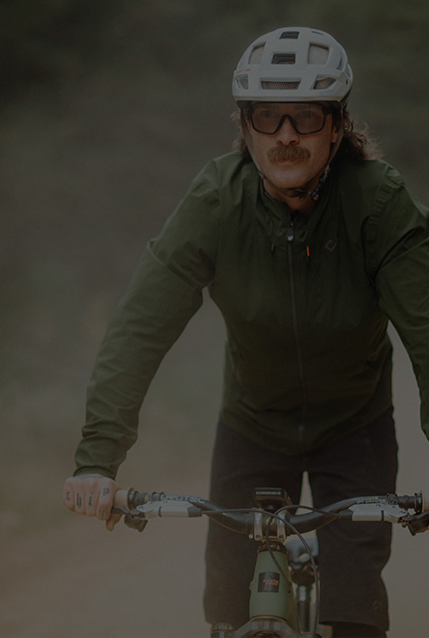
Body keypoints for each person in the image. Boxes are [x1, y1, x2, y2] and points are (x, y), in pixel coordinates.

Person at [63, 26, 429, 638]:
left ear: (337, 127)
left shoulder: (378, 201)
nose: (286, 134)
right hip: (253, 425)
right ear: (246, 127)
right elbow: (140, 326)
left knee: (354, 610)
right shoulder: (216, 200)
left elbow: (425, 328)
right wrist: (97, 459)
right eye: (268, 115)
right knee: (232, 614)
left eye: (306, 116)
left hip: (356, 426)